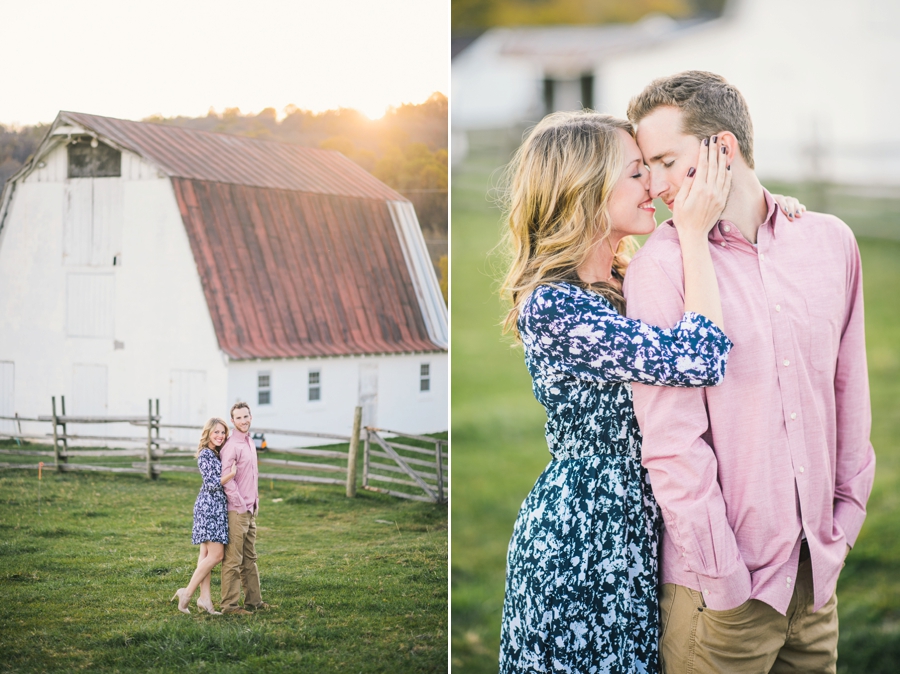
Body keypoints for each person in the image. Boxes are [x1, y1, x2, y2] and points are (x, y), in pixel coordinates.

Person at [624, 71, 876, 673]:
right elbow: (672, 444)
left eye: (665, 160)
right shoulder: (660, 269)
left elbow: (850, 398)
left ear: (723, 150)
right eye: (646, 166)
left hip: (816, 583)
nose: (655, 186)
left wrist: (843, 524)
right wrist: (725, 581)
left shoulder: (830, 243)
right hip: (722, 599)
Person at [497, 107, 752, 673]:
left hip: (637, 521)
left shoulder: (624, 278)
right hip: (585, 532)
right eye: (637, 171)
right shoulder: (553, 305)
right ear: (584, 187)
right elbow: (699, 357)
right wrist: (691, 233)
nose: (654, 185)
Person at [171, 416, 236, 615]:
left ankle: (205, 599)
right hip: (209, 508)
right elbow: (211, 483)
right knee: (217, 555)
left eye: (223, 432)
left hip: (216, 507)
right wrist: (231, 475)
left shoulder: (216, 454)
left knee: (205, 555)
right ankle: (187, 593)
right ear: (207, 433)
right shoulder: (205, 455)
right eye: (216, 432)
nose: (220, 435)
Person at [218, 401, 267, 615]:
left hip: (250, 509)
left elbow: (251, 476)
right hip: (237, 511)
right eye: (238, 417)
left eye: (246, 416)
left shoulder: (250, 443)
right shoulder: (231, 446)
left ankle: (254, 602)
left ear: (251, 417)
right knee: (233, 560)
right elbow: (227, 480)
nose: (243, 420)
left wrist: (254, 503)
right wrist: (241, 504)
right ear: (232, 421)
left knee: (250, 558)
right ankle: (229, 606)